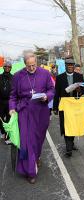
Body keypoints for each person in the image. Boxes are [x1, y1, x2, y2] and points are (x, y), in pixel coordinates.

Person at [9, 53, 55, 184]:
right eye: (29, 66)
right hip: (25, 111)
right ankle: (30, 172)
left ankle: (36, 157)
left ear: (37, 62)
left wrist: (47, 96)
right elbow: (13, 95)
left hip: (41, 111)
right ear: (25, 64)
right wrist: (12, 108)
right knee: (28, 140)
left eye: (33, 65)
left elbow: (51, 89)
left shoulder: (45, 74)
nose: (31, 68)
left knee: (38, 139)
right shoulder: (18, 76)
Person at [53, 59, 84, 157]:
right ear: (65, 66)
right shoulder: (59, 77)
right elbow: (56, 93)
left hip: (75, 106)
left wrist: (80, 89)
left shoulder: (79, 76)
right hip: (64, 105)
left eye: (72, 65)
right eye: (68, 65)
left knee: (74, 125)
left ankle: (71, 142)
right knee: (66, 126)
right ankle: (68, 148)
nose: (70, 66)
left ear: (74, 66)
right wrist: (55, 107)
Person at [0, 61, 13, 144]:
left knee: (9, 119)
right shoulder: (0, 77)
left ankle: (7, 136)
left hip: (10, 101)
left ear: (11, 68)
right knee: (0, 118)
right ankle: (3, 131)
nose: (7, 68)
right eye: (6, 66)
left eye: (9, 67)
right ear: (3, 67)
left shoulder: (13, 77)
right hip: (0, 101)